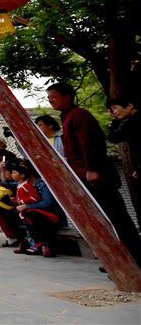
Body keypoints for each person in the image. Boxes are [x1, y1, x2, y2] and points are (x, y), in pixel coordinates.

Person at [47, 82, 141, 265]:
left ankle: (135, 258)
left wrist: (92, 169)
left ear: (67, 97)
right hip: (84, 175)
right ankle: (120, 260)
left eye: (53, 97)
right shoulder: (68, 117)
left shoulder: (79, 115)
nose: (50, 101)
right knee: (104, 219)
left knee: (116, 217)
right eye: (49, 98)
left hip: (95, 175)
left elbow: (91, 143)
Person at [10, 162, 66, 257]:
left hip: (52, 215)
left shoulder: (41, 184)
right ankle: (28, 242)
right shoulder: (24, 184)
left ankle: (47, 246)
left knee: (34, 216)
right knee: (14, 215)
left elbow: (46, 203)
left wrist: (26, 206)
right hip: (37, 214)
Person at [108, 97, 140, 230]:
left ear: (130, 105)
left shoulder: (134, 122)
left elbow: (115, 137)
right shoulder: (131, 121)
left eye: (115, 108)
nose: (113, 112)